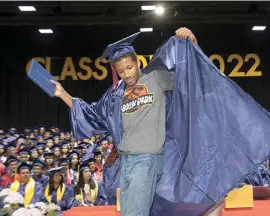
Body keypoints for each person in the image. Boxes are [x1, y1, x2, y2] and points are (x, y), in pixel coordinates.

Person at [51, 27, 197, 216]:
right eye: (121, 71)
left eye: (129, 67)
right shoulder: (116, 94)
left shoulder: (157, 78)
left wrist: (192, 42)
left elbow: (189, 76)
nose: (127, 74)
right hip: (125, 162)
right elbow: (93, 114)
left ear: (138, 62)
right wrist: (63, 94)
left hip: (147, 159)